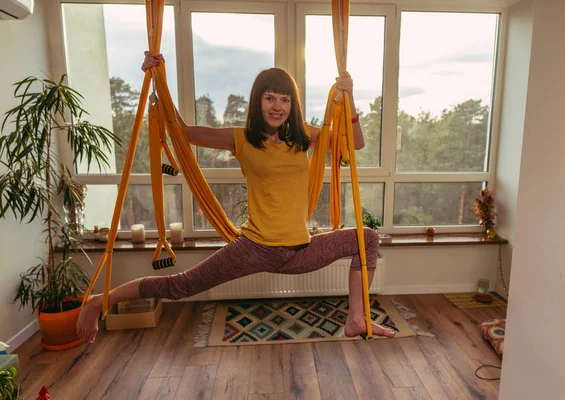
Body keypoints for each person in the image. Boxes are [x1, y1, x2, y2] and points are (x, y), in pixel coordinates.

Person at [77, 52, 395, 344]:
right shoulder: (240, 139)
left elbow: (355, 142)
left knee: (366, 238)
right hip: (254, 248)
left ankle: (356, 318)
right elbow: (181, 131)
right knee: (180, 286)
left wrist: (349, 97)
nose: (277, 106)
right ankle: (98, 302)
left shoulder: (303, 135)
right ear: (257, 102)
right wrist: (157, 82)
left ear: (292, 104)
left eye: (284, 99)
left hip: (300, 249)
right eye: (269, 97)